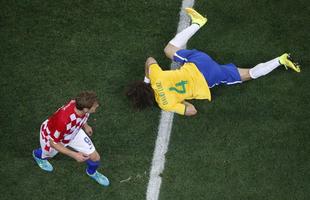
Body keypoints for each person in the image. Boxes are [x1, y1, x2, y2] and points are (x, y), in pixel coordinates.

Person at [126, 8, 300, 116]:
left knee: (248, 74)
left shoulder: (165, 104)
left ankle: (281, 59)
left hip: (210, 78)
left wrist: (182, 102)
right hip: (199, 62)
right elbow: (150, 60)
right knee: (169, 50)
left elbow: (192, 111)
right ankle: (198, 23)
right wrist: (147, 80)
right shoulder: (155, 78)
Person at [32, 91, 109, 187]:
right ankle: (37, 155)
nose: (97, 106)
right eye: (94, 106)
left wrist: (85, 126)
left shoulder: (78, 104)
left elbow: (82, 117)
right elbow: (53, 142)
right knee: (47, 155)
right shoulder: (63, 121)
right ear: (85, 109)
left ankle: (92, 172)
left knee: (95, 157)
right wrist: (74, 155)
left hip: (73, 131)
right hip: (51, 137)